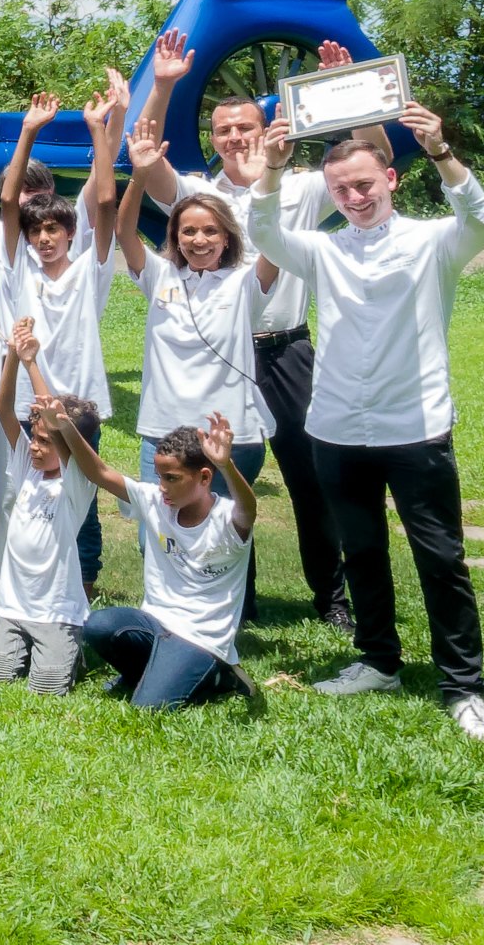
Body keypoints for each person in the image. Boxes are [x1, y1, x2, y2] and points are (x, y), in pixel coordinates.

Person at [246, 100, 484, 741]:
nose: (354, 197)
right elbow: (266, 233)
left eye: (363, 184)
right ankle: (378, 660)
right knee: (361, 551)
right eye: (341, 189)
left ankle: (462, 687)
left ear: (390, 178)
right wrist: (273, 171)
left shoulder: (434, 242)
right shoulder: (325, 251)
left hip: (414, 426)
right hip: (335, 428)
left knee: (440, 558)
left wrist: (441, 151)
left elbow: (479, 217)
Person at [130, 32, 387, 633]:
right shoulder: (198, 194)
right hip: (219, 362)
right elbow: (144, 154)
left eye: (244, 127)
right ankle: (228, 601)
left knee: (313, 477)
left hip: (285, 350)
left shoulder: (298, 186)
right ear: (213, 139)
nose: (235, 137)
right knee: (212, 476)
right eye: (223, 130)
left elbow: (373, 156)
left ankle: (331, 597)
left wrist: (346, 95)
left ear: (263, 127)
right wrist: (164, 84)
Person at [116, 116, 278, 614]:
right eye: (188, 231)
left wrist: (267, 175)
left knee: (227, 529)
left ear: (227, 238)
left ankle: (232, 616)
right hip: (162, 430)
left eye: (210, 231)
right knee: (157, 534)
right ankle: (164, 615)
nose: (199, 240)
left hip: (231, 432)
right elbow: (122, 230)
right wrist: (141, 174)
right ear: (175, 236)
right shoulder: (159, 275)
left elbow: (273, 238)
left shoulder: (246, 280)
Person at [0, 84, 122, 600]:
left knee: (81, 496)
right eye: (36, 231)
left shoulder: (92, 270)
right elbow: (6, 201)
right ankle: (37, 577)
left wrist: (97, 129)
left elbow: (107, 201)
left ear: (71, 232)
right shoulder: (18, 270)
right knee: (32, 490)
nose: (45, 238)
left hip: (82, 404)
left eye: (54, 229)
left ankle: (83, 583)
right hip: (32, 403)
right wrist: (28, 131)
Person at [55, 407, 258, 711]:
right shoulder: (155, 501)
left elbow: (248, 507)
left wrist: (226, 465)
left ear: (204, 477)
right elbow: (98, 472)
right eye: (160, 476)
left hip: (201, 640)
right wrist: (65, 427)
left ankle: (220, 676)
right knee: (99, 625)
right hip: (155, 622)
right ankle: (146, 673)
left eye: (172, 478)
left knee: (148, 708)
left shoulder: (228, 519)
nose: (162, 486)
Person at [0, 322, 96, 696]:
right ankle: (21, 647)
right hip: (13, 608)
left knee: (47, 688)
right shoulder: (28, 467)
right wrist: (13, 353)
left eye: (44, 441)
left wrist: (33, 366)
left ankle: (71, 651)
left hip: (56, 613)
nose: (36, 447)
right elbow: (1, 407)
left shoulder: (78, 482)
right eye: (34, 437)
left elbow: (59, 431)